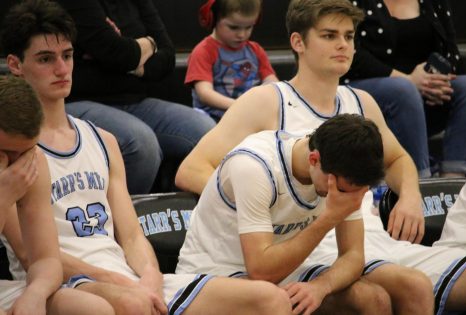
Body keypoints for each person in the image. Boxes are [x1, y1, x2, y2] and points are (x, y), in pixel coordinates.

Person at [175, 0, 466, 312]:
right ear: (297, 42)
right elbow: (191, 169)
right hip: (306, 240)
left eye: (349, 36)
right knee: (402, 288)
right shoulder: (267, 100)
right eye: (330, 36)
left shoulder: (361, 102)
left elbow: (398, 159)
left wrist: (411, 195)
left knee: (418, 284)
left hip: (362, 231)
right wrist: (267, 205)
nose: (343, 45)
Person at [1, 1, 293, 314]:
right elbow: (31, 255)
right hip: (71, 283)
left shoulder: (103, 141)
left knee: (269, 299)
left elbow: (131, 236)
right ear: (16, 65)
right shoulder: (15, 149)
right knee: (132, 304)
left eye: (68, 56)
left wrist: (150, 276)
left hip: (127, 279)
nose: (61, 68)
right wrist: (118, 281)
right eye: (46, 59)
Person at [178, 114, 406, 315]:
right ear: (314, 160)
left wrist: (320, 287)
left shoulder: (341, 168)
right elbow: (261, 271)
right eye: (344, 191)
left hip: (276, 273)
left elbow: (354, 256)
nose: (349, 199)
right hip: (215, 273)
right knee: (274, 301)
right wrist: (329, 218)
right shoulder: (254, 167)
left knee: (374, 299)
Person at [53, 0, 217, 194]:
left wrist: (126, 56)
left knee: (206, 131)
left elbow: (167, 57)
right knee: (141, 144)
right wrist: (149, 44)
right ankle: (122, 217)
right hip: (81, 101)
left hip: (135, 100)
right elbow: (116, 52)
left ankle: (181, 213)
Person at [0, 76, 114, 315]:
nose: (18, 164)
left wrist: (36, 294)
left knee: (93, 309)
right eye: (8, 152)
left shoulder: (30, 161)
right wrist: (3, 196)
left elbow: (45, 259)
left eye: (27, 151)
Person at [342, 0, 466, 178]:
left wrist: (435, 82)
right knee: (403, 90)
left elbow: (451, 53)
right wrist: (409, 79)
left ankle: (453, 179)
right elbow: (351, 55)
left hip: (421, 97)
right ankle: (419, 180)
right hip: (368, 92)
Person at [185, 0, 278, 121]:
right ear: (213, 19)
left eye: (249, 27)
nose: (242, 34)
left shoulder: (255, 50)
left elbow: (272, 82)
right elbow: (205, 94)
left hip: (249, 114)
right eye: (233, 27)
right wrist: (239, 106)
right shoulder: (203, 51)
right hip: (214, 119)